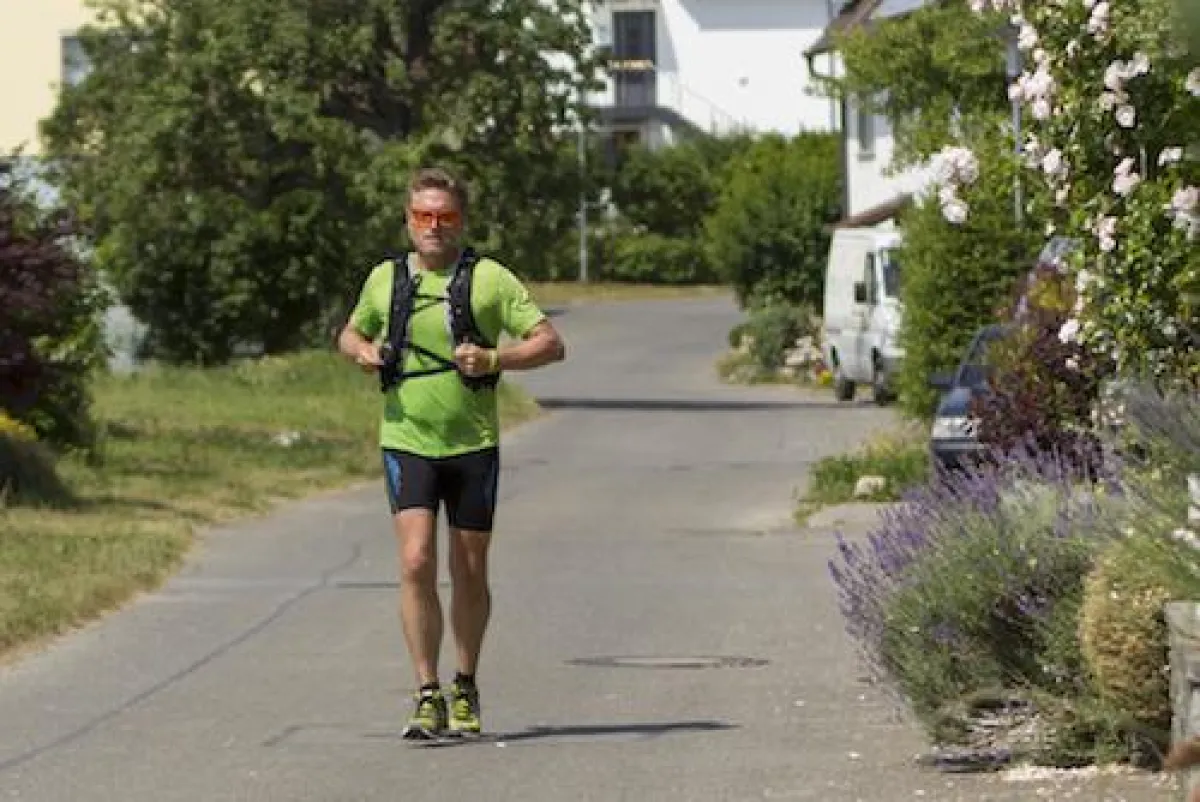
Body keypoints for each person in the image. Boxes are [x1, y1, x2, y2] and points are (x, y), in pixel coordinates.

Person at [337, 166, 565, 739]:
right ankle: (425, 691)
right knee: (415, 561)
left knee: (468, 570)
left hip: (472, 445)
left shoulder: (488, 279)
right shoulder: (385, 279)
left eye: (445, 217)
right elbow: (348, 333)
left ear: (461, 220)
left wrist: (494, 360)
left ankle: (465, 683)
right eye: (423, 217)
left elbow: (550, 343)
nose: (434, 227)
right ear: (408, 221)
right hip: (406, 439)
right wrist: (363, 350)